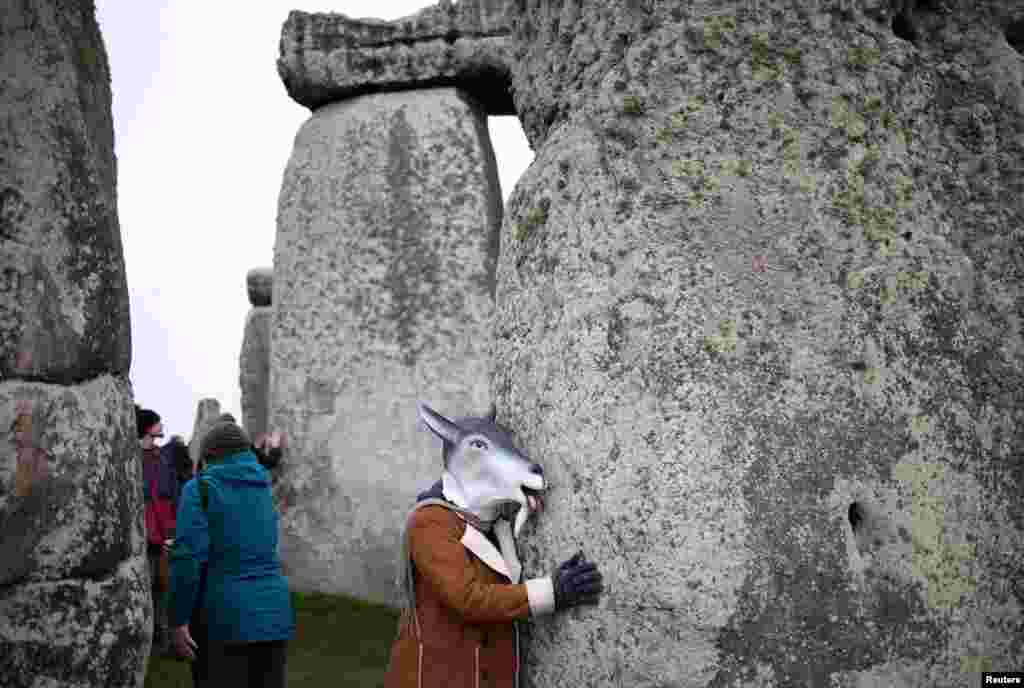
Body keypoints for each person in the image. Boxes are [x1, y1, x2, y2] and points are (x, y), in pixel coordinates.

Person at [384, 403, 603, 688]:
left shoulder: (491, 523)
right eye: (478, 446)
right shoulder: (430, 524)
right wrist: (552, 591)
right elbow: (469, 599)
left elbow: (502, 585)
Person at [169, 418, 294, 688]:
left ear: (208, 455)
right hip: (273, 616)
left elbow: (188, 560)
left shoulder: (200, 489)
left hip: (223, 621)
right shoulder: (263, 486)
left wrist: (178, 620)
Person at [138, 405, 176, 654]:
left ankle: (161, 639)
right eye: (158, 422)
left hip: (163, 531)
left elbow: (170, 493)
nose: (162, 425)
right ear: (147, 428)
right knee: (146, 586)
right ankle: (145, 638)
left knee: (162, 586)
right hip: (143, 530)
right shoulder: (133, 457)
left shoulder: (161, 457)